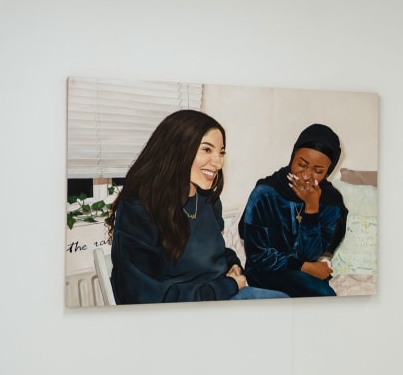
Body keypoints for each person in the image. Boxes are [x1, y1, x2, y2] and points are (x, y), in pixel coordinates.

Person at [106, 110, 288, 304]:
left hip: (219, 295)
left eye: (221, 152)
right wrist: (229, 286)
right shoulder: (139, 209)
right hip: (182, 315)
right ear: (177, 149)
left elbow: (213, 251)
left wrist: (233, 263)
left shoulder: (208, 200)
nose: (218, 162)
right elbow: (143, 296)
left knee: (285, 304)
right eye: (207, 150)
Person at [238, 124, 348, 297]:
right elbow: (257, 255)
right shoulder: (265, 192)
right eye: (301, 164)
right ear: (292, 157)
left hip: (307, 274)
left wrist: (312, 208)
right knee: (322, 294)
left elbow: (310, 255)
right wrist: (304, 266)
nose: (306, 175)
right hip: (265, 272)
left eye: (318, 171)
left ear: (328, 172)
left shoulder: (330, 202)